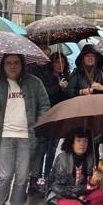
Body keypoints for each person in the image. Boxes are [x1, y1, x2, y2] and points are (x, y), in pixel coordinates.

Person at [0, 53, 50, 205]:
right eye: (8, 63)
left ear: (22, 64)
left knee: (22, 178)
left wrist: (38, 125)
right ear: (3, 65)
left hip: (27, 138)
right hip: (5, 136)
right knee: (4, 177)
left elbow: (45, 105)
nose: (12, 66)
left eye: (16, 63)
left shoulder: (34, 82)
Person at [68, 44, 103, 173]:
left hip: (98, 113)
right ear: (82, 58)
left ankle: (93, 173)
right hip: (81, 113)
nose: (90, 58)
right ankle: (79, 174)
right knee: (81, 143)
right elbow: (68, 91)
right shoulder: (77, 73)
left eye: (93, 56)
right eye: (87, 56)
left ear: (97, 58)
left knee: (95, 144)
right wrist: (81, 91)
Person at [46, 128, 103, 205]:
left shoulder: (89, 158)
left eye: (85, 141)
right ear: (71, 143)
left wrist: (93, 182)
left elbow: (87, 185)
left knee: (101, 194)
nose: (82, 144)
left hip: (78, 194)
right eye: (78, 140)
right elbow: (58, 188)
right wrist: (79, 194)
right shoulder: (62, 159)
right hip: (59, 197)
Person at [30, 50, 69, 195]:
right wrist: (59, 87)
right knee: (42, 149)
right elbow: (46, 95)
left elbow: (66, 98)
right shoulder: (46, 76)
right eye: (57, 62)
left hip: (59, 117)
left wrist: (65, 88)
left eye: (63, 63)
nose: (60, 65)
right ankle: (38, 178)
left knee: (52, 149)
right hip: (47, 116)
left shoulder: (65, 77)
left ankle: (47, 177)